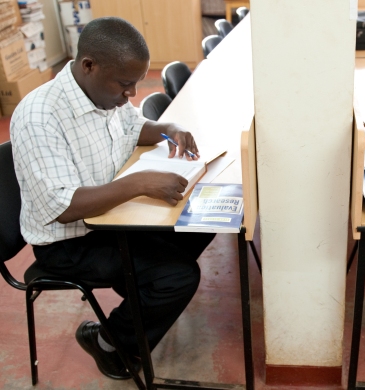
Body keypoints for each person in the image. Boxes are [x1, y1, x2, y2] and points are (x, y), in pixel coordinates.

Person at [10, 17, 215, 380]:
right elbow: (64, 207)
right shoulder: (39, 117)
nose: (131, 95)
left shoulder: (105, 95)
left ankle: (142, 291)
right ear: (89, 65)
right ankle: (110, 341)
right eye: (125, 84)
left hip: (112, 215)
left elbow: (136, 129)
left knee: (201, 222)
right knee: (178, 276)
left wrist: (170, 129)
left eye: (135, 84)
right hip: (71, 241)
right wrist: (139, 183)